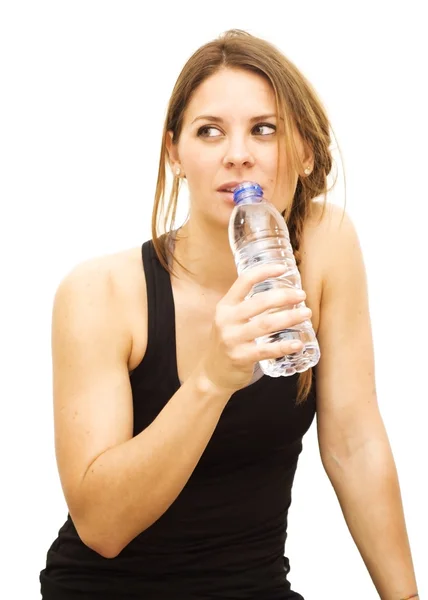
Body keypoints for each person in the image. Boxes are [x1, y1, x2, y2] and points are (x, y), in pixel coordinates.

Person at [39, 29, 418, 600]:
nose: (237, 152)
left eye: (264, 129)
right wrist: (212, 379)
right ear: (175, 152)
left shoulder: (325, 245)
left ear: (305, 150)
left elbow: (354, 443)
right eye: (209, 130)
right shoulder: (100, 293)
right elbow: (102, 528)